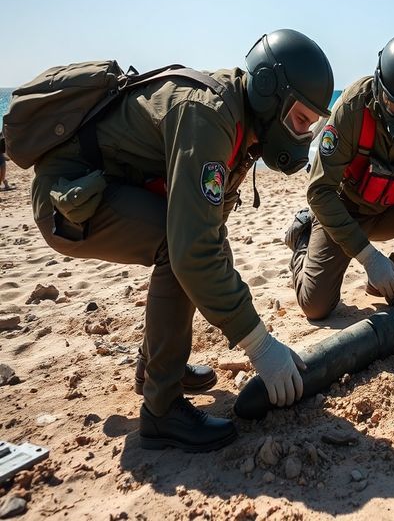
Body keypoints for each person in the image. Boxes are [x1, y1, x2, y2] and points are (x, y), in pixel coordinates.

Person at [26, 29, 334, 452]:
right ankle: (162, 409)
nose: (303, 134)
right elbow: (193, 252)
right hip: (69, 197)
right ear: (269, 94)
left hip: (99, 185)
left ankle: (154, 369)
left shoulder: (242, 123)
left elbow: (208, 231)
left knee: (195, 245)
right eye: (300, 120)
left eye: (312, 124)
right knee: (180, 250)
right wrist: (260, 345)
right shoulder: (209, 117)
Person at [285, 33, 394, 321]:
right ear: (380, 90)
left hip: (388, 207)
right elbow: (319, 191)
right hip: (343, 209)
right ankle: (304, 236)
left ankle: (391, 275)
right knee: (315, 306)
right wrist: (368, 257)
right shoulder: (351, 109)